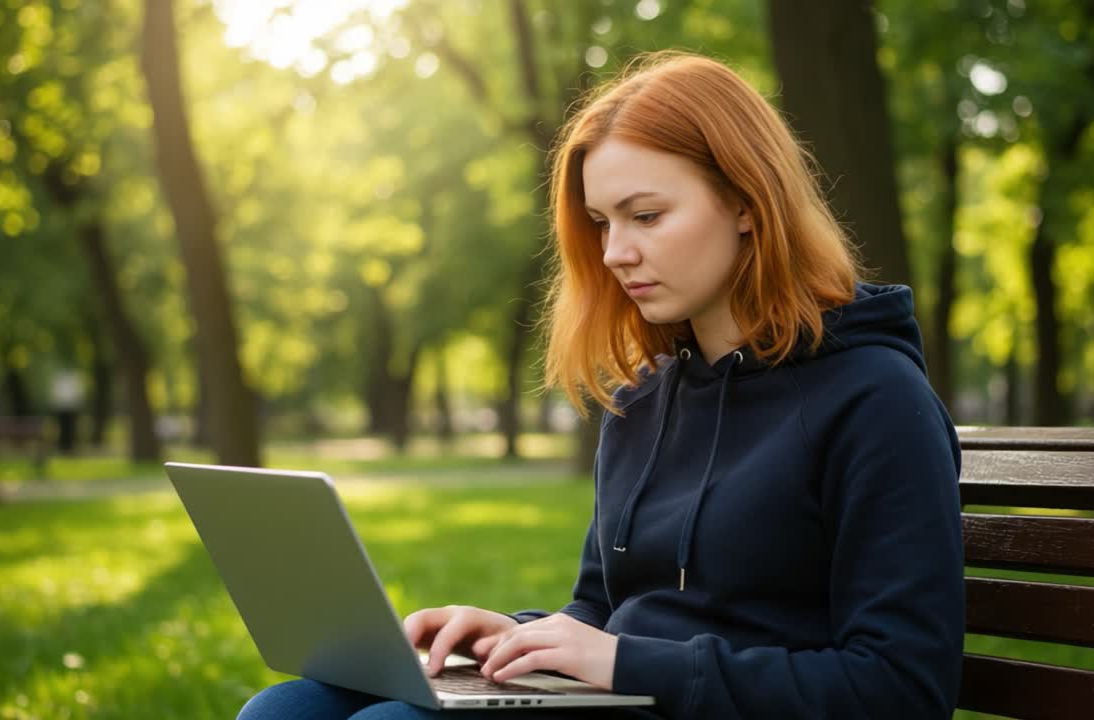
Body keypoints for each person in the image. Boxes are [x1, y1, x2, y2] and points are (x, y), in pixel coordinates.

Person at [237, 50, 964, 720]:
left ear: (747, 203)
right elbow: (601, 607)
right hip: (626, 701)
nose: (615, 253)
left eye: (645, 216)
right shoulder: (644, 401)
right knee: (286, 710)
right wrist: (513, 635)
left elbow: (902, 687)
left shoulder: (876, 400)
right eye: (600, 222)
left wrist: (628, 662)